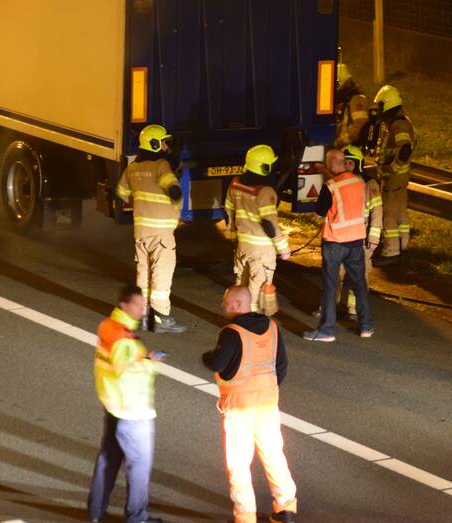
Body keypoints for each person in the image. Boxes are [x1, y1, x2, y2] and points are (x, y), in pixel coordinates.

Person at [203, 285, 298, 523]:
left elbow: (218, 364)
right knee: (273, 454)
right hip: (267, 402)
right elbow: (282, 365)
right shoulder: (272, 327)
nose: (223, 305)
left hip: (239, 406)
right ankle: (286, 508)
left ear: (237, 304)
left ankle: (245, 516)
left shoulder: (232, 332)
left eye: (226, 302)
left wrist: (207, 357)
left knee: (238, 463)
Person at [87, 286, 165, 523]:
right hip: (132, 410)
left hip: (112, 405)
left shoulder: (107, 326)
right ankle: (137, 518)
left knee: (108, 461)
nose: (143, 310)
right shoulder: (125, 339)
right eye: (138, 305)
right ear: (124, 305)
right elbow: (123, 370)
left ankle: (95, 513)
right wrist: (149, 363)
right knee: (139, 469)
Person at [116, 124, 186, 333]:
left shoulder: (133, 168)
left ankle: (143, 315)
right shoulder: (161, 165)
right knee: (161, 274)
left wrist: (138, 201)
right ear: (155, 144)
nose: (166, 146)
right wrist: (177, 199)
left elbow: (120, 192)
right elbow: (172, 188)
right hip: (162, 233)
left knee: (143, 272)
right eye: (163, 142)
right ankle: (161, 317)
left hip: (141, 231)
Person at [304, 149, 374, 341]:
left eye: (328, 165)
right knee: (359, 284)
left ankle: (326, 330)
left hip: (335, 242)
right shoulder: (359, 181)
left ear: (334, 164)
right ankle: (366, 326)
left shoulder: (330, 186)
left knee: (330, 285)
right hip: (356, 241)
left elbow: (319, 213)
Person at [223, 145, 291, 316]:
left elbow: (229, 209)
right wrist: (283, 249)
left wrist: (232, 231)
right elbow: (271, 224)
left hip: (243, 246)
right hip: (262, 250)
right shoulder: (265, 192)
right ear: (265, 168)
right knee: (258, 288)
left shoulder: (236, 183)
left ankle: (237, 316)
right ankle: (252, 320)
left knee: (242, 283)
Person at [371, 85, 416, 267]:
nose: (379, 110)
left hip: (394, 177)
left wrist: (391, 169)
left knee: (388, 214)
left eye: (381, 106)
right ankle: (403, 246)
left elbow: (404, 150)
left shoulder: (399, 125)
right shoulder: (396, 123)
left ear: (388, 105)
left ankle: (391, 252)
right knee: (399, 213)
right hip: (398, 177)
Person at [337, 146, 381, 318]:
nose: (347, 166)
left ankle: (355, 309)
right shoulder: (339, 181)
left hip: (361, 239)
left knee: (359, 275)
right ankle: (330, 306)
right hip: (341, 237)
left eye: (350, 162)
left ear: (358, 164)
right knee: (335, 274)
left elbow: (377, 212)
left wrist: (374, 237)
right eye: (344, 162)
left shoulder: (369, 184)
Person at [334, 62, 370, 149]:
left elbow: (360, 126)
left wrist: (339, 142)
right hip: (342, 150)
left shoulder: (356, 99)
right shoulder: (344, 99)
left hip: (351, 150)